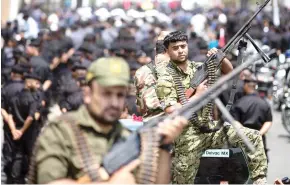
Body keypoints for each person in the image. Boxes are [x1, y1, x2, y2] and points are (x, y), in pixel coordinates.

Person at [28, 57, 189, 184]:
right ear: (88, 94)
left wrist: (163, 144)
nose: (114, 102)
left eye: (119, 95)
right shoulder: (62, 130)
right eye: (106, 94)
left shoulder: (127, 137)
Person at [156, 31, 268, 184]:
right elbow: (171, 110)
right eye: (175, 48)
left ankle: (259, 180)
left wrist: (221, 58)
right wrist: (197, 96)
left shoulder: (198, 68)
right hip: (186, 136)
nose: (180, 50)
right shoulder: (165, 78)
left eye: (183, 46)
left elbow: (232, 73)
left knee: (253, 136)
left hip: (209, 128)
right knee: (182, 181)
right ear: (167, 51)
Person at [230, 74, 273, 160]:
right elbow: (268, 121)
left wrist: (245, 134)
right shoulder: (264, 103)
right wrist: (259, 134)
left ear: (246, 86)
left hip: (242, 140)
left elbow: (235, 121)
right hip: (259, 140)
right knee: (260, 168)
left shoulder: (239, 102)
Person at [134, 31, 170, 120]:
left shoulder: (141, 72)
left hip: (150, 124)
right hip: (174, 125)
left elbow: (140, 108)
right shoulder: (181, 69)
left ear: (155, 50)